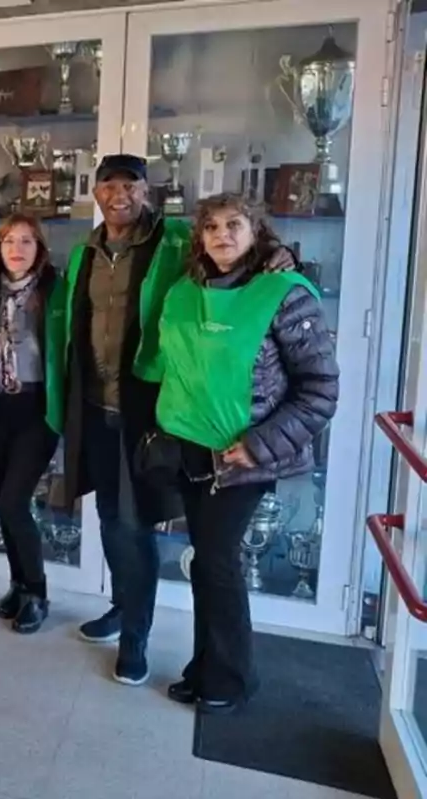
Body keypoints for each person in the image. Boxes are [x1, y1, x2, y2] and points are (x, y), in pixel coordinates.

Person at [148, 193, 337, 713]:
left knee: (218, 562)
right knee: (208, 564)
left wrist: (257, 446)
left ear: (257, 231)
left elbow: (320, 390)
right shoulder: (189, 291)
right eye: (210, 227)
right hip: (192, 450)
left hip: (245, 457)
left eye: (234, 225)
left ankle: (231, 677)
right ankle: (205, 666)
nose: (222, 235)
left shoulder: (284, 295)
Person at [59, 154, 191, 685]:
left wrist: (274, 256)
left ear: (146, 189)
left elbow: (237, 253)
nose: (119, 194)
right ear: (96, 193)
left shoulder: (176, 242)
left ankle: (136, 636)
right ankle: (122, 607)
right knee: (112, 520)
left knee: (135, 525)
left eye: (129, 184)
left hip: (147, 410)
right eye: (108, 184)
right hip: (94, 409)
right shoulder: (85, 252)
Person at [0, 213, 63, 634]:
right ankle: (17, 584)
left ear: (38, 249)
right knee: (6, 502)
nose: (17, 249)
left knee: (14, 501)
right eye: (9, 240)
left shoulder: (54, 290)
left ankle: (38, 592)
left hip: (36, 409)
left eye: (26, 241)